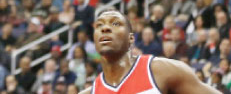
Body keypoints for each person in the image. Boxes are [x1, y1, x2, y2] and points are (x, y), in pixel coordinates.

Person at [85, 9, 222, 94]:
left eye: (115, 24)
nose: (105, 29)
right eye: (99, 25)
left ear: (131, 38)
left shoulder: (161, 70)